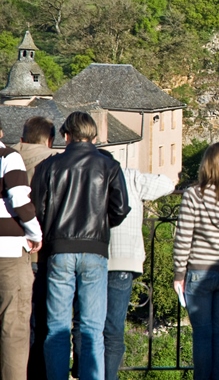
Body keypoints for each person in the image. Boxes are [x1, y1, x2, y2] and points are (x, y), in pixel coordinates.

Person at [32, 111, 130, 380]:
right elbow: (121, 208)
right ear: (94, 136)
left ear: (66, 136)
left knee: (57, 327)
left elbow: (37, 211)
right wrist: (100, 224)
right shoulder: (109, 166)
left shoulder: (48, 167)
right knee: (91, 329)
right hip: (95, 249)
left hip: (59, 249)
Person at [72, 158, 177, 380]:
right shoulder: (130, 177)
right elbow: (168, 184)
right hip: (122, 260)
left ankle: (85, 374)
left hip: (88, 257)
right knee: (113, 329)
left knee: (85, 325)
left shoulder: (85, 177)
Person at [173, 142, 219, 380]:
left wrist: (179, 274)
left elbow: (183, 238)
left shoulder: (194, 194)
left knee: (202, 334)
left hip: (199, 272)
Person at [14, 116, 60, 380]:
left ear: (22, 138)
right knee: (43, 317)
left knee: (15, 320)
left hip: (12, 248)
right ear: (50, 139)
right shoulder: (55, 161)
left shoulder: (11, 156)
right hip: (45, 250)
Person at [0, 118, 42, 380]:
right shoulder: (8, 156)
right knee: (13, 329)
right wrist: (34, 233)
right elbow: (19, 198)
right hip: (7, 252)